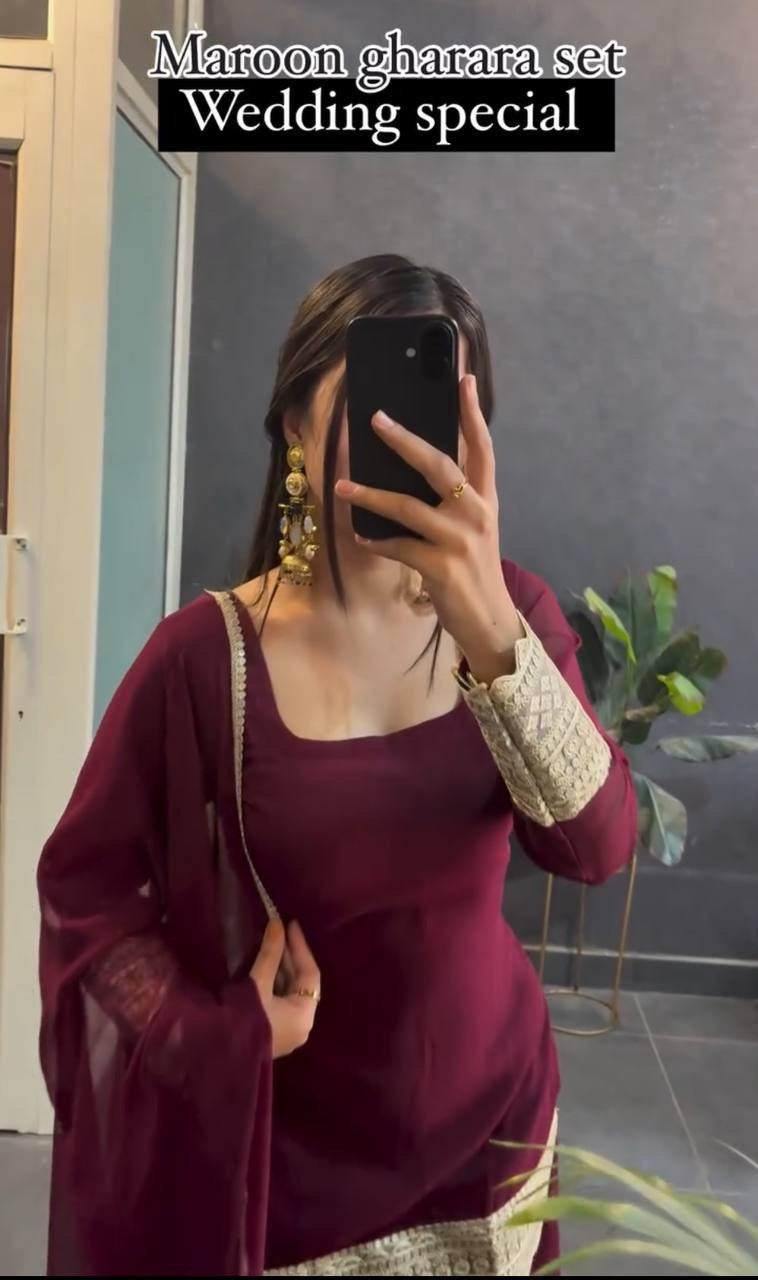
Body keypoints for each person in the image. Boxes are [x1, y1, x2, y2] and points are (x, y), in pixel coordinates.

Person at [37, 254, 637, 1277]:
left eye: (442, 412)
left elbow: (594, 847)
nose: (409, 440)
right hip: (292, 1170)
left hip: (491, 1134)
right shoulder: (205, 658)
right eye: (373, 408)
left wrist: (488, 624)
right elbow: (88, 902)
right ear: (294, 430)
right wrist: (222, 1034)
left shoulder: (512, 617)